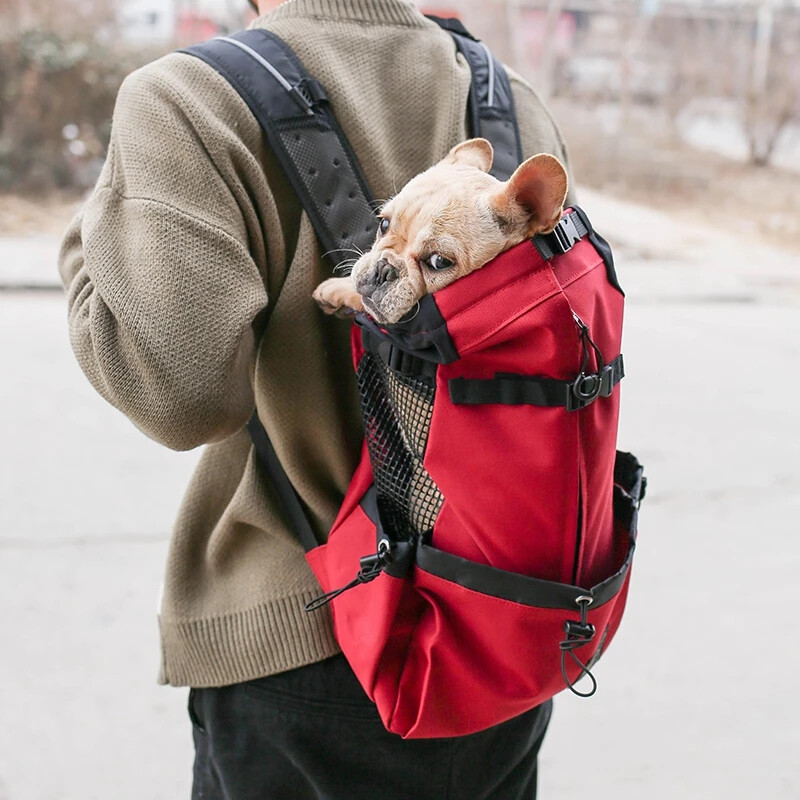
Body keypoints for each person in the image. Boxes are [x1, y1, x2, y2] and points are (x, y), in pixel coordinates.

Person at [58, 1, 576, 797]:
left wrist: (84, 250)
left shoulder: (191, 98)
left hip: (301, 640)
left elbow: (182, 397)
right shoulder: (508, 99)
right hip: (501, 634)